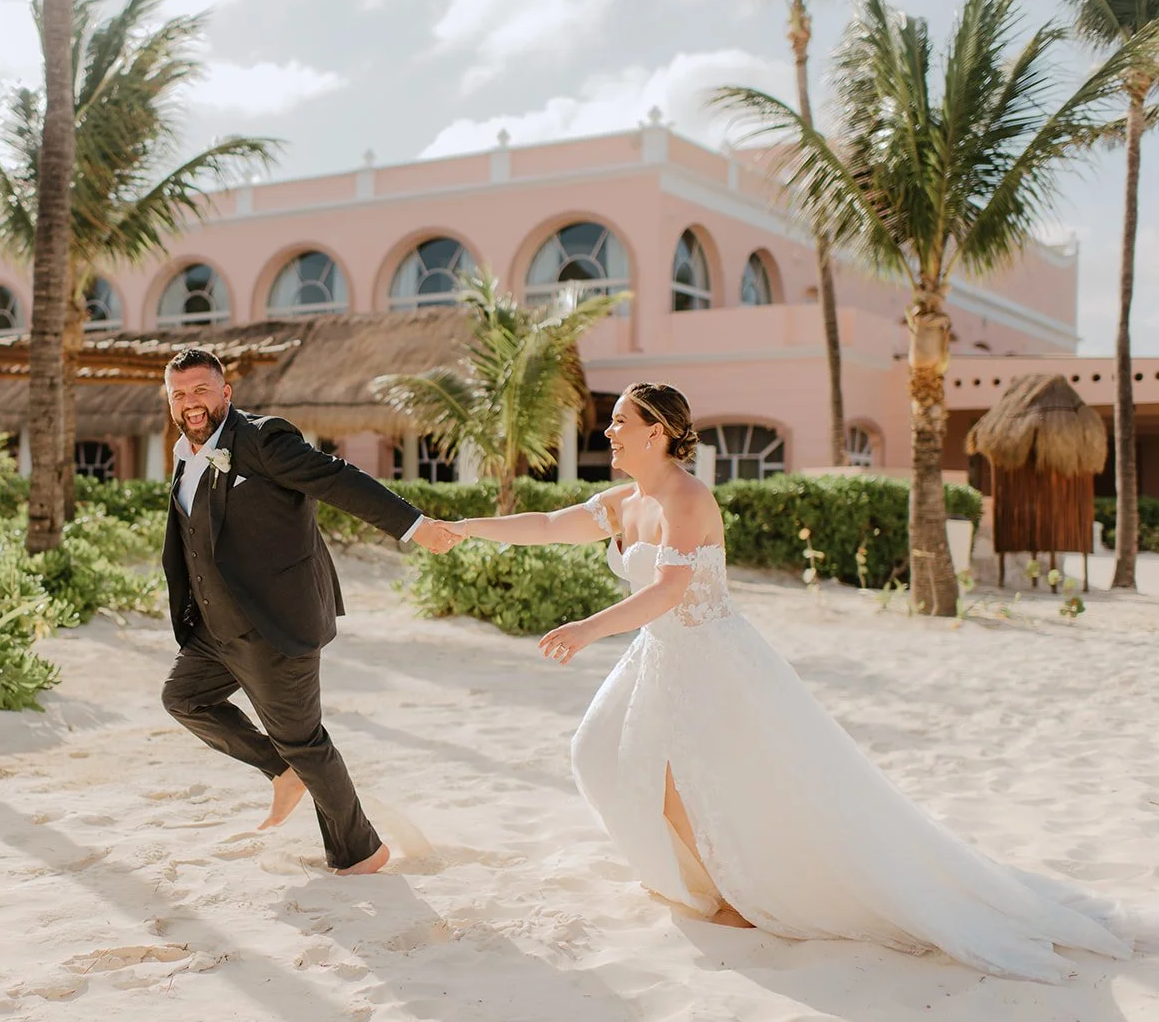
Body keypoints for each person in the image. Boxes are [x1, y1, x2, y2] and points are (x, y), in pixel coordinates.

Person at [443, 381, 1147, 982]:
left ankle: (735, 895)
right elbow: (547, 523)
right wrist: (467, 526)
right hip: (659, 657)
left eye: (620, 422)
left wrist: (586, 629)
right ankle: (700, 880)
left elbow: (669, 590)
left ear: (656, 432)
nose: (610, 432)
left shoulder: (689, 501)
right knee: (599, 750)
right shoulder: (626, 502)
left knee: (716, 782)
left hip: (711, 661)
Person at [157, 348, 460, 875]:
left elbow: (338, 479)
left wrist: (414, 526)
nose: (191, 402)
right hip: (215, 628)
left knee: (305, 741)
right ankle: (281, 772)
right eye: (180, 394)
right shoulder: (184, 451)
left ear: (226, 394)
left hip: (275, 624)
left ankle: (360, 851)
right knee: (183, 699)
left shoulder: (263, 440)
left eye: (202, 390)